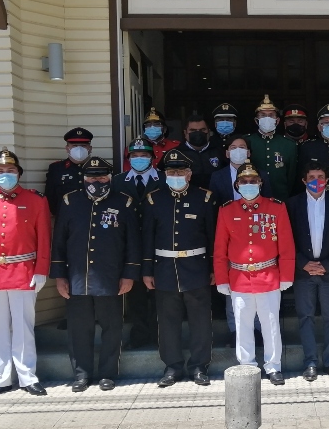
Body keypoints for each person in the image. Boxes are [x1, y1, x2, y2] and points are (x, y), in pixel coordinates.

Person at [50, 156, 141, 392]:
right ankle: (81, 374)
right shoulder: (70, 202)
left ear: (109, 178)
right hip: (77, 280)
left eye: (101, 176)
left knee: (113, 328)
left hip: (111, 279)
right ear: (84, 178)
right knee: (79, 329)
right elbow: (59, 241)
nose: (96, 180)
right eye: (92, 177)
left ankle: (108, 373)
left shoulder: (124, 202)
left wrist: (129, 274)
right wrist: (59, 276)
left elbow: (132, 242)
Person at [0, 147, 51, 399]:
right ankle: (0, 378)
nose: (5, 174)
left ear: (19, 174)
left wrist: (41, 270)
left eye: (10, 170)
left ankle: (28, 376)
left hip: (23, 271)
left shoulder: (36, 200)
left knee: (24, 327)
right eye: (0, 171)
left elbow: (44, 238)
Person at [214, 163, 295, 385]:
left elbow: (286, 244)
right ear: (237, 185)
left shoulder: (276, 207)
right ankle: (247, 365)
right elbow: (220, 248)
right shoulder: (227, 210)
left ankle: (273, 366)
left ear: (260, 183)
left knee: (271, 324)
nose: (248, 185)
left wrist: (286, 274)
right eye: (243, 182)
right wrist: (221, 278)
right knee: (242, 325)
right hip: (239, 277)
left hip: (268, 275)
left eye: (253, 181)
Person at [142, 149, 217, 387]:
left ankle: (199, 366)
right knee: (167, 321)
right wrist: (146, 270)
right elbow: (147, 238)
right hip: (164, 269)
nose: (176, 175)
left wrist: (215, 268)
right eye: (171, 171)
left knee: (200, 321)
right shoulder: (154, 199)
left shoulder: (204, 198)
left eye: (180, 171)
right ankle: (172, 367)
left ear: (189, 174)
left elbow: (213, 236)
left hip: (197, 268)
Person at [286, 162, 329, 381]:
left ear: (327, 180)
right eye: (311, 176)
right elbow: (287, 238)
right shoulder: (292, 205)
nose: (316, 181)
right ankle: (310, 362)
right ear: (304, 180)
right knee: (306, 317)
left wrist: (328, 264)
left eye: (320, 176)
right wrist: (303, 263)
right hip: (303, 272)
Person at [113, 136, 162, 350]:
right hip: (129, 244)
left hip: (159, 243)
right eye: (135, 156)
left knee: (160, 293)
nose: (139, 159)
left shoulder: (164, 179)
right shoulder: (117, 181)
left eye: (144, 155)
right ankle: (139, 335)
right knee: (136, 294)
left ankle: (161, 335)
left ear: (152, 157)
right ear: (129, 158)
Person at [244, 94, 297, 201]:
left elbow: (291, 177)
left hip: (280, 198)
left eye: (271, 115)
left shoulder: (288, 144)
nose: (267, 118)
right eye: (263, 115)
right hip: (252, 198)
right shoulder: (246, 141)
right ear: (256, 120)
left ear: (277, 120)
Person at [209, 136, 274, 203]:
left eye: (242, 147)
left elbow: (267, 201)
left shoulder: (262, 175)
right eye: (233, 148)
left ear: (248, 153)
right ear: (227, 154)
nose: (238, 151)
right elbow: (214, 204)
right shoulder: (217, 176)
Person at [45, 127, 92, 216]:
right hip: (65, 221)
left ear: (90, 148)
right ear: (67, 148)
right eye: (74, 145)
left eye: (83, 145)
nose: (79, 149)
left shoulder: (101, 168)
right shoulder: (56, 169)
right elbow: (50, 198)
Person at [176, 112, 226, 190]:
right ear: (185, 133)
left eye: (202, 130)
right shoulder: (175, 154)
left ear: (209, 132)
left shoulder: (220, 152)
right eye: (193, 130)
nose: (198, 133)